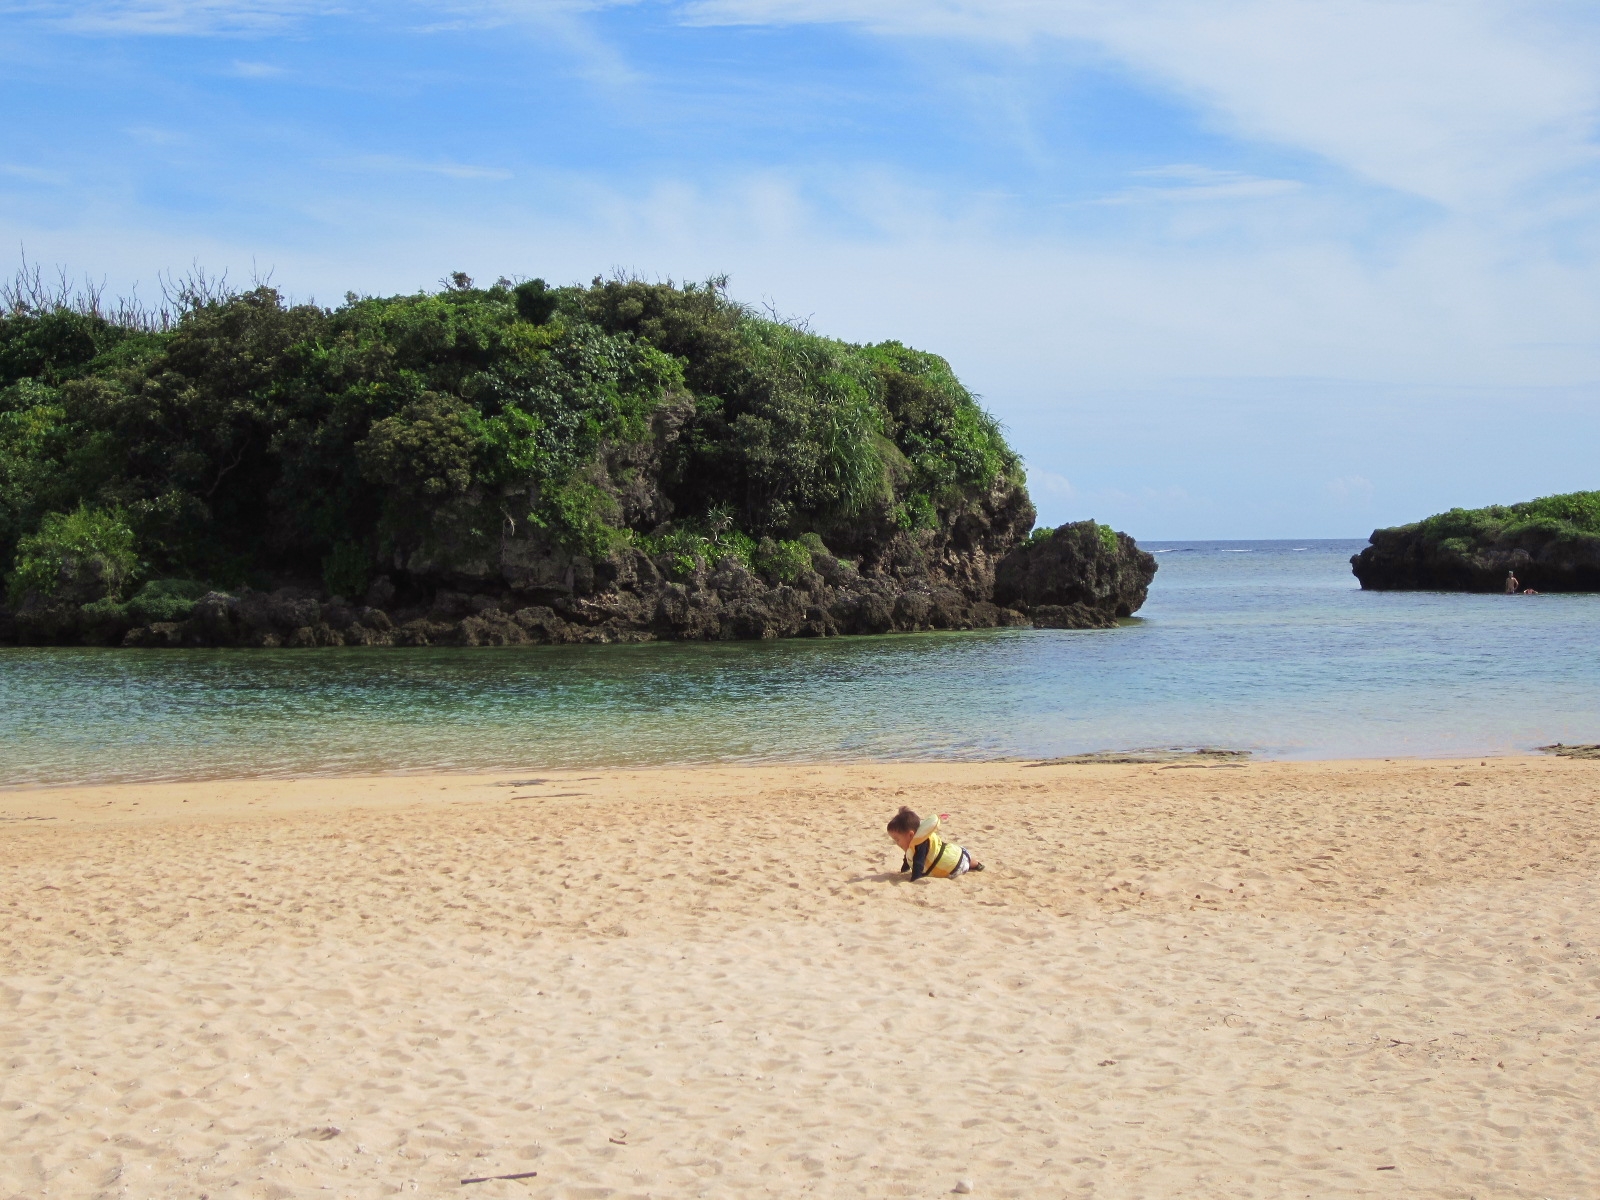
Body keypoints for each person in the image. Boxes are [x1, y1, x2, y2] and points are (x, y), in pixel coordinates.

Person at [887, 807, 984, 879]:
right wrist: (904, 870)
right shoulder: (915, 841)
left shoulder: (920, 843)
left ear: (910, 835)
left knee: (963, 858)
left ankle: (972, 862)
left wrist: (914, 879)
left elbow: (918, 863)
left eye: (897, 839)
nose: (897, 843)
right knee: (964, 857)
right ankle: (975, 864)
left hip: (954, 867)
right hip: (956, 861)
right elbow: (908, 859)